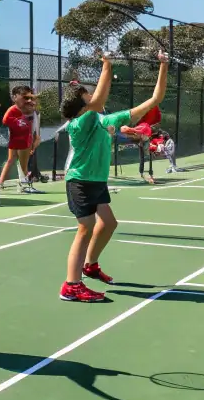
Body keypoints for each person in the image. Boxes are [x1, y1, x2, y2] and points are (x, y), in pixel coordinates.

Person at [59, 52, 169, 302]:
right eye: (86, 94)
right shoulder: (80, 123)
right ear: (81, 105)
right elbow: (98, 100)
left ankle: (90, 266)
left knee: (108, 223)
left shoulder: (103, 119)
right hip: (80, 180)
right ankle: (71, 286)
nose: (91, 95)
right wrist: (107, 64)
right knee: (84, 228)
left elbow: (155, 99)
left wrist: (163, 65)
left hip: (96, 181)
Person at [0, 85, 42, 195]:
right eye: (25, 97)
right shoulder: (13, 110)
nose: (29, 100)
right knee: (18, 162)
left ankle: (2, 183)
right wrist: (20, 122)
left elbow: (34, 125)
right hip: (18, 140)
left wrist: (36, 138)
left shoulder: (30, 109)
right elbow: (5, 120)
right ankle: (21, 185)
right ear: (15, 97)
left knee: (15, 161)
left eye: (30, 97)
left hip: (26, 140)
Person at [120, 105, 163, 184]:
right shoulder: (140, 128)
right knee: (143, 157)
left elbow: (145, 133)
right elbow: (133, 135)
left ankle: (149, 174)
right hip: (143, 139)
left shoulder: (144, 127)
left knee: (148, 154)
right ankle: (143, 173)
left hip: (145, 138)